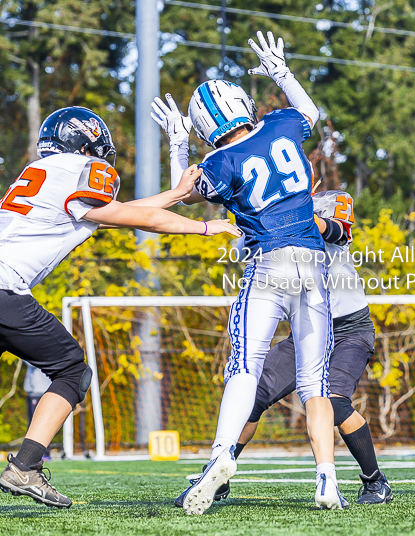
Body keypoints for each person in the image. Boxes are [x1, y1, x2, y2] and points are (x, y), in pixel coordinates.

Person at [0, 106, 241, 509]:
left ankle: (26, 466)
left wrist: (178, 195)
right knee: (71, 369)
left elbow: (113, 215)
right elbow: (138, 219)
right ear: (86, 142)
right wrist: (204, 226)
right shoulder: (83, 170)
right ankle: (26, 467)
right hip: (5, 288)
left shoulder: (42, 174)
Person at [151, 31, 346, 513]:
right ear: (242, 104)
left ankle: (220, 457)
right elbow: (312, 114)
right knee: (315, 383)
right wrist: (282, 72)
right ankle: (327, 481)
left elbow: (182, 191)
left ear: (202, 127)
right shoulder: (281, 125)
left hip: (268, 265)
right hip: (314, 265)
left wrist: (177, 145)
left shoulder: (219, 161)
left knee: (244, 365)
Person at [172, 190, 392, 509]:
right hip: (305, 333)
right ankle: (216, 477)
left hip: (349, 331)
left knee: (335, 401)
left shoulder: (324, 222)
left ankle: (375, 481)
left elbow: (334, 230)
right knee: (253, 395)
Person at [23, 365, 52, 461]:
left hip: (39, 390)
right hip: (33, 391)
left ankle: (43, 453)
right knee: (32, 423)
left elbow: (30, 360)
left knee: (39, 423)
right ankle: (34, 453)